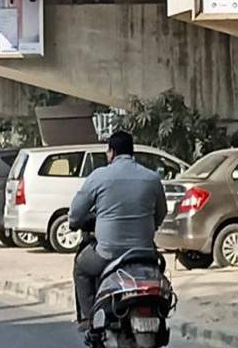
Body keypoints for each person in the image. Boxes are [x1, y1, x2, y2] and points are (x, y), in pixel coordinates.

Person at [68, 130, 168, 330]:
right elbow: (161, 214)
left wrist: (76, 222)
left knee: (81, 267)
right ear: (132, 152)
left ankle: (89, 319)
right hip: (145, 253)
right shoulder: (151, 178)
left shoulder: (99, 176)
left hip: (108, 254)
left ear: (111, 152)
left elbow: (75, 214)